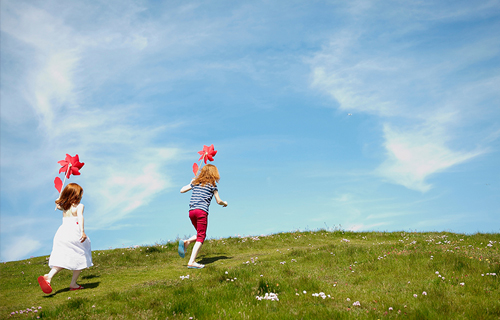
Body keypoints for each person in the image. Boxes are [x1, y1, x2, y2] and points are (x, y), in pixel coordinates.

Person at [37, 183, 93, 294]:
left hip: (62, 233)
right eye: (80, 193)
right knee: (82, 255)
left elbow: (58, 206)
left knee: (64, 257)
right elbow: (80, 217)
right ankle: (73, 283)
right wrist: (82, 231)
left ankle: (49, 276)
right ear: (76, 194)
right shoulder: (79, 206)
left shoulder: (64, 206)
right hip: (74, 232)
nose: (81, 195)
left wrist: (57, 200)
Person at [178, 164, 227, 269]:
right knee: (201, 236)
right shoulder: (213, 185)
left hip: (191, 212)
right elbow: (218, 201)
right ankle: (191, 262)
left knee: (200, 233)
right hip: (201, 212)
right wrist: (225, 203)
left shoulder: (196, 183)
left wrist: (191, 183)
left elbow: (182, 190)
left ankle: (186, 242)